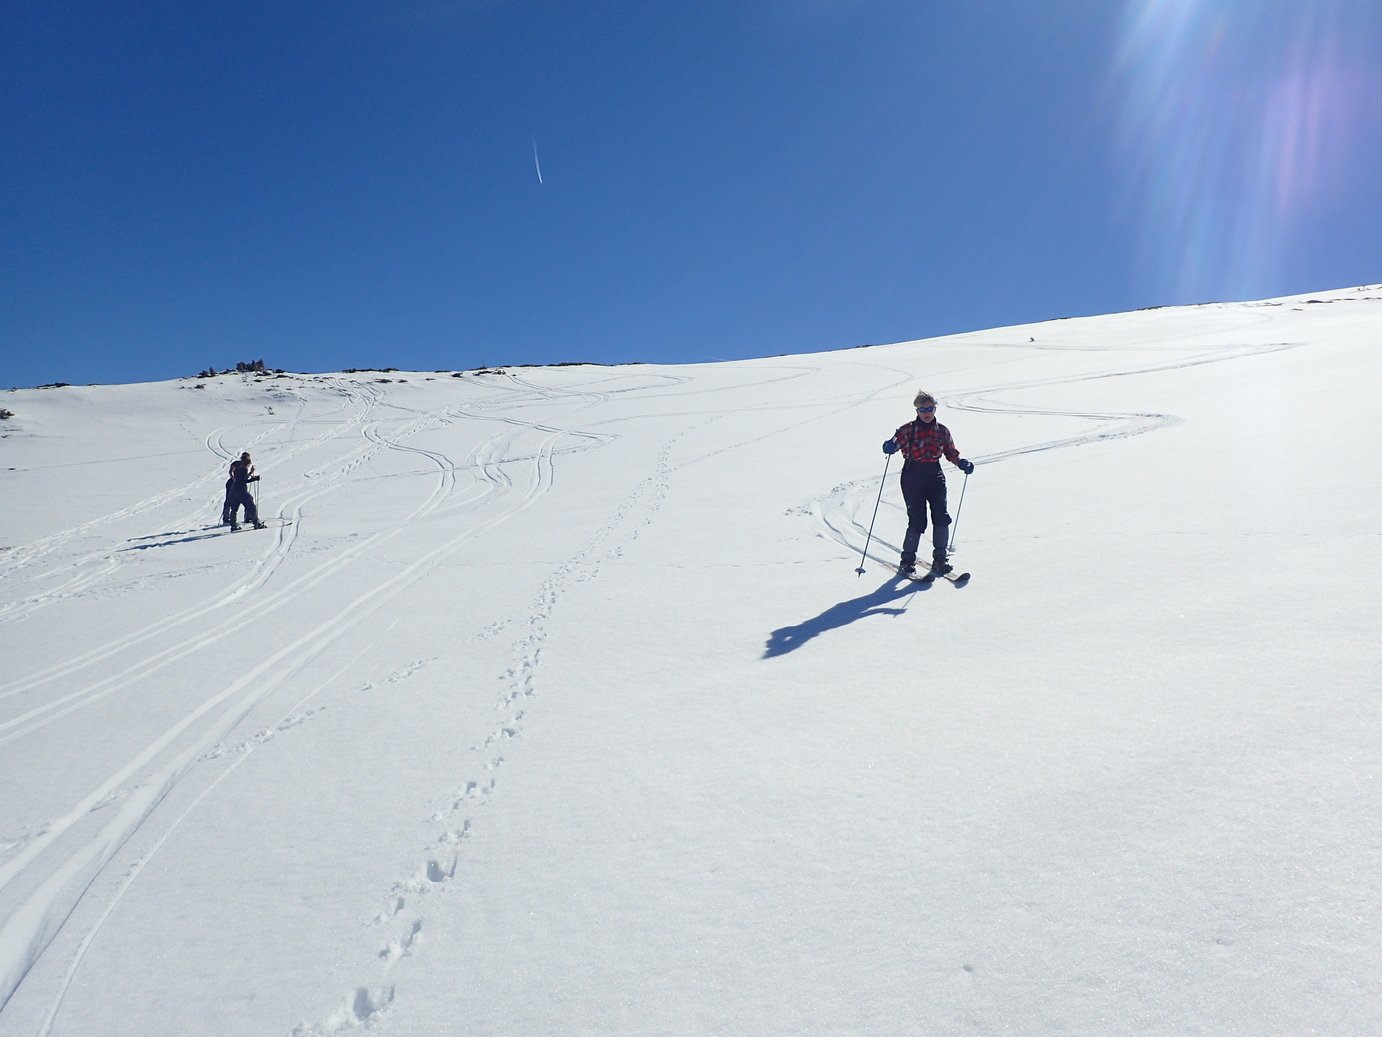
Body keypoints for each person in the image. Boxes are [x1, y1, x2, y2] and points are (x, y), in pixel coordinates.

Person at [882, 391, 974, 575]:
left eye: (930, 408)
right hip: (912, 475)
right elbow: (892, 444)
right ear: (917, 410)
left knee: (941, 515)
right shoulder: (907, 429)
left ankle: (940, 559)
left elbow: (950, 453)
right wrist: (889, 446)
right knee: (917, 519)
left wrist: (961, 462)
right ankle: (907, 562)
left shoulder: (942, 431)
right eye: (922, 409)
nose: (926, 412)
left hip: (934, 474)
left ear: (934, 409)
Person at [226, 451, 266, 531]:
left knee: (234, 508)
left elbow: (241, 478)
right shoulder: (243, 469)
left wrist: (250, 473)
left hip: (234, 490)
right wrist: (254, 478)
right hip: (242, 491)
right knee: (251, 505)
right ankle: (256, 523)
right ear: (247, 463)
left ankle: (233, 525)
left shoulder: (239, 469)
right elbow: (244, 480)